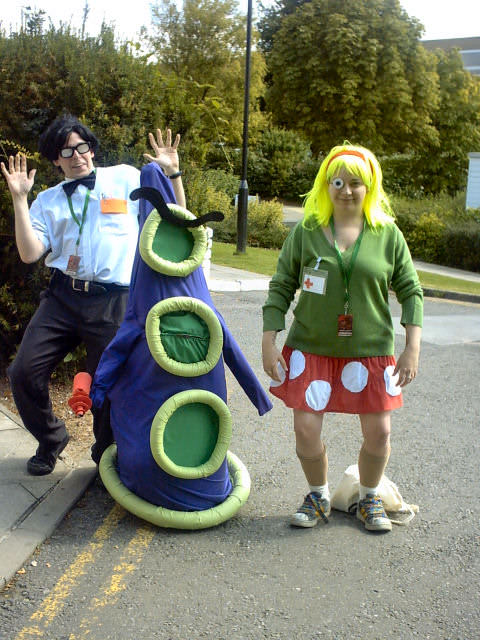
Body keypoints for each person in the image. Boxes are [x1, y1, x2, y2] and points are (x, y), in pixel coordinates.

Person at [1, 113, 186, 475]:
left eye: (81, 146)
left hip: (113, 301)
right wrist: (20, 199)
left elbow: (176, 217)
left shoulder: (126, 178)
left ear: (92, 148)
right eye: (66, 151)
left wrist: (173, 174)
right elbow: (29, 253)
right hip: (62, 299)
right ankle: (51, 438)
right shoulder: (48, 201)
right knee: (23, 371)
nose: (77, 155)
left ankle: (105, 456)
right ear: (55, 160)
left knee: (109, 383)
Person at [262, 142, 423, 533]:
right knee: (305, 430)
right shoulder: (306, 232)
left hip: (370, 351)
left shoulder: (387, 234)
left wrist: (412, 348)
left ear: (369, 187)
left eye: (355, 183)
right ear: (326, 185)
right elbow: (281, 285)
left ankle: (368, 498)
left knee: (379, 432)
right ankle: (318, 496)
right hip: (311, 348)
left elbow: (411, 290)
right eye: (337, 182)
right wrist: (269, 340)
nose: (346, 190)